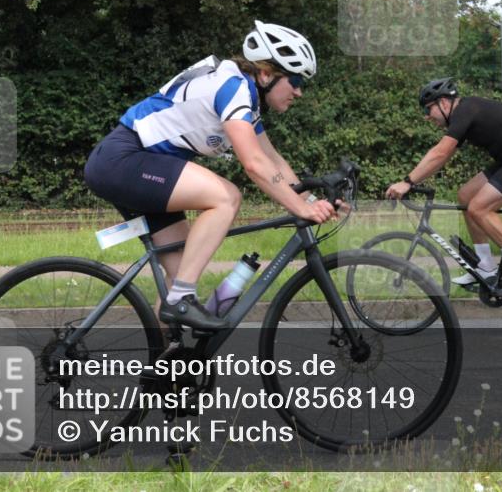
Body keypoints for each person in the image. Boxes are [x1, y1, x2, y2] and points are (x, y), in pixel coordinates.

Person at [84, 21, 336, 330]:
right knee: (226, 197)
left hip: (142, 166)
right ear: (265, 73)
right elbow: (254, 164)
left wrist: (312, 202)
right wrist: (299, 208)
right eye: (295, 80)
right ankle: (181, 300)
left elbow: (272, 160)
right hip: (124, 159)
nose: (299, 91)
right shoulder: (233, 88)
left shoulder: (245, 98)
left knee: (181, 273)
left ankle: (165, 356)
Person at [385, 77, 502, 302]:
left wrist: (408, 182)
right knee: (466, 196)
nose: (427, 117)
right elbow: (442, 155)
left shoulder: (465, 110)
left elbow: (440, 153)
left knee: (479, 208)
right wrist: (411, 180)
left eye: (428, 109)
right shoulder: (465, 112)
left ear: (444, 103)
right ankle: (486, 267)